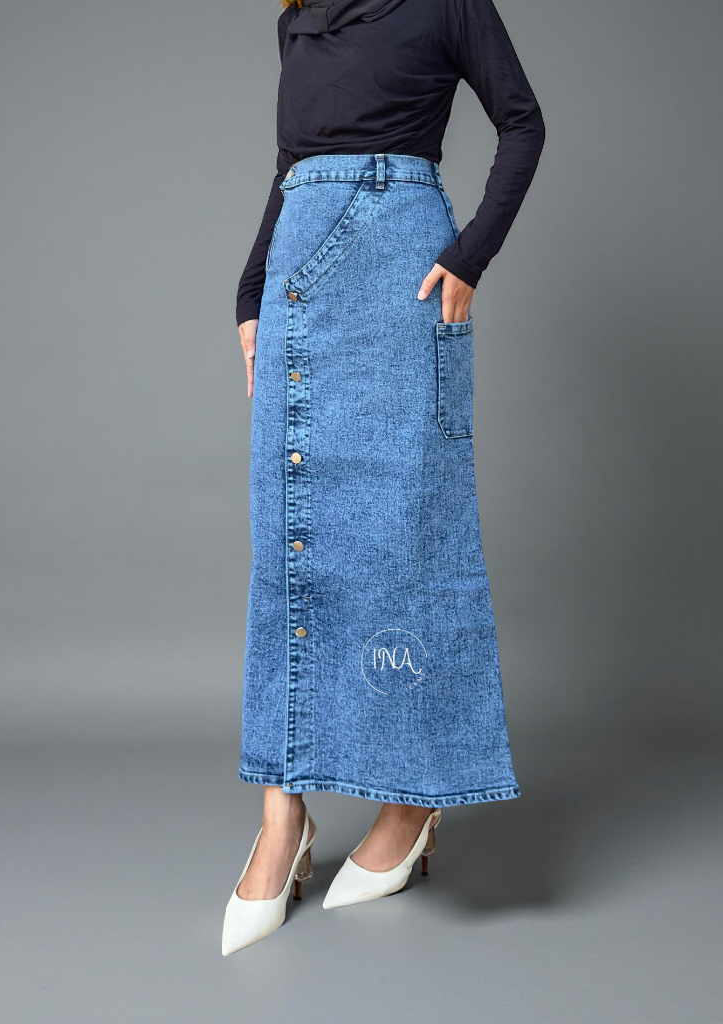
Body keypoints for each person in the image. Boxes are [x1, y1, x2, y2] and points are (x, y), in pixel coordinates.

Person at [224, 0, 545, 955]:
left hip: (404, 278)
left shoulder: (446, 1)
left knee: (407, 537)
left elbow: (523, 122)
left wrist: (470, 253)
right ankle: (283, 814)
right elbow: (289, 169)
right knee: (292, 549)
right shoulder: (297, 18)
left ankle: (411, 801)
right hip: (297, 280)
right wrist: (251, 291)